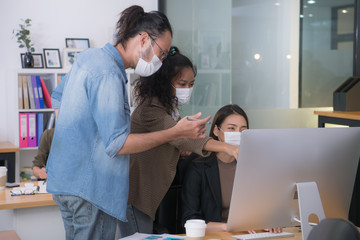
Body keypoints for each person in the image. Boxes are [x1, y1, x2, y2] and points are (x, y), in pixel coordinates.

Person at [46, 5, 211, 240]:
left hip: (65, 182)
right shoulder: (109, 73)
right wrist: (175, 132)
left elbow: (58, 98)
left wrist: (81, 139)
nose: (161, 61)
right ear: (143, 39)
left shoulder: (89, 57)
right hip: (90, 190)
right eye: (162, 53)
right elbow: (118, 144)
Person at [117, 47, 239, 237]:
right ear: (164, 82)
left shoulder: (169, 109)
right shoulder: (151, 109)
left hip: (149, 195)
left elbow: (171, 141)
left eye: (191, 84)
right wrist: (228, 148)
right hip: (136, 195)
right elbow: (183, 138)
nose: (187, 89)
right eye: (182, 83)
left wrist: (178, 150)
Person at [181, 104, 282, 233]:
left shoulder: (253, 166)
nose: (238, 134)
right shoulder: (198, 168)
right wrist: (228, 226)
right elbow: (189, 221)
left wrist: (273, 220)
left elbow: (265, 207)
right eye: (231, 128)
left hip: (249, 234)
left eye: (242, 130)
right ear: (216, 131)